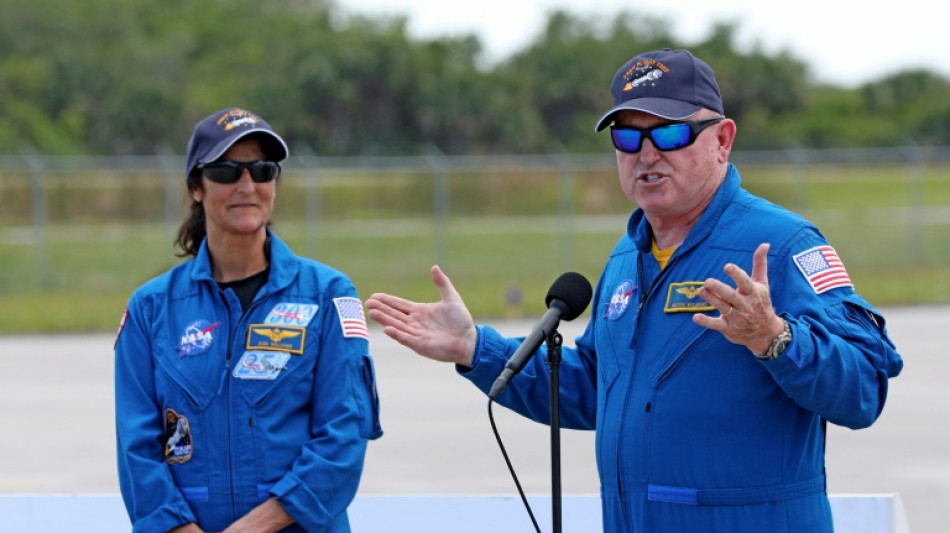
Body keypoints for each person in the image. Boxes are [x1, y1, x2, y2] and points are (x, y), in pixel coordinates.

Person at [365, 49, 903, 532]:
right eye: (627, 137)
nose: (646, 154)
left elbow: (863, 390)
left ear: (722, 140)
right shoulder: (627, 258)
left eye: (668, 134)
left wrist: (775, 339)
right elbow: (596, 387)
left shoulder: (783, 245)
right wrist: (475, 349)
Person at [114, 107, 383, 533]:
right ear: (196, 187)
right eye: (226, 171)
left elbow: (343, 437)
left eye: (262, 170)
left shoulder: (330, 295)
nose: (247, 185)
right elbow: (137, 448)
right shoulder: (150, 308)